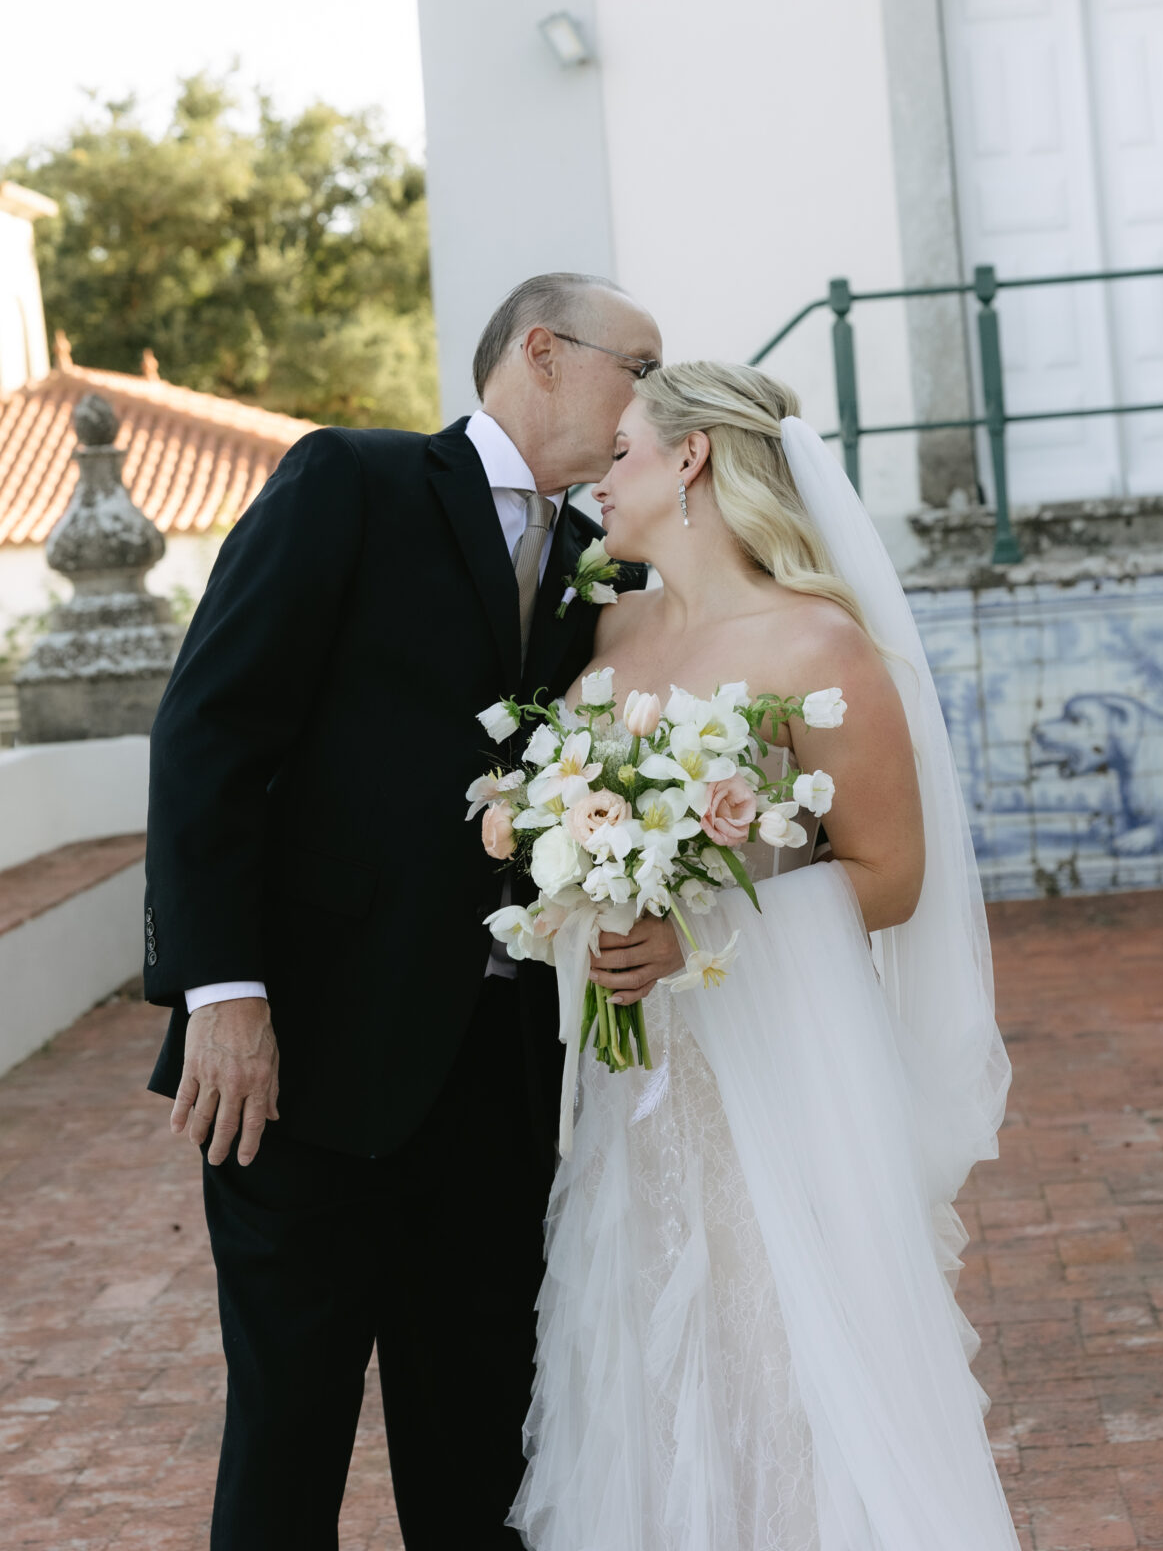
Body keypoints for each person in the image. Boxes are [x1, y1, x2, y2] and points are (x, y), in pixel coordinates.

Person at [142, 271, 664, 1551]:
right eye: (640, 368)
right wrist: (223, 992)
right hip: (301, 1066)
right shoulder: (352, 483)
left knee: (483, 1450)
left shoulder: (601, 566)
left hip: (495, 1081)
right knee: (289, 1439)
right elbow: (210, 733)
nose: (653, 398)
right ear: (542, 351)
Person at [513, 361, 1019, 1551]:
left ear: (690, 457)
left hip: (774, 1074)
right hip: (635, 1080)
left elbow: (891, 873)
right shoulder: (609, 626)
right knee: (648, 1367)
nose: (600, 479)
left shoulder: (816, 643)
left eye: (622, 452)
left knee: (782, 1364)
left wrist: (692, 928)